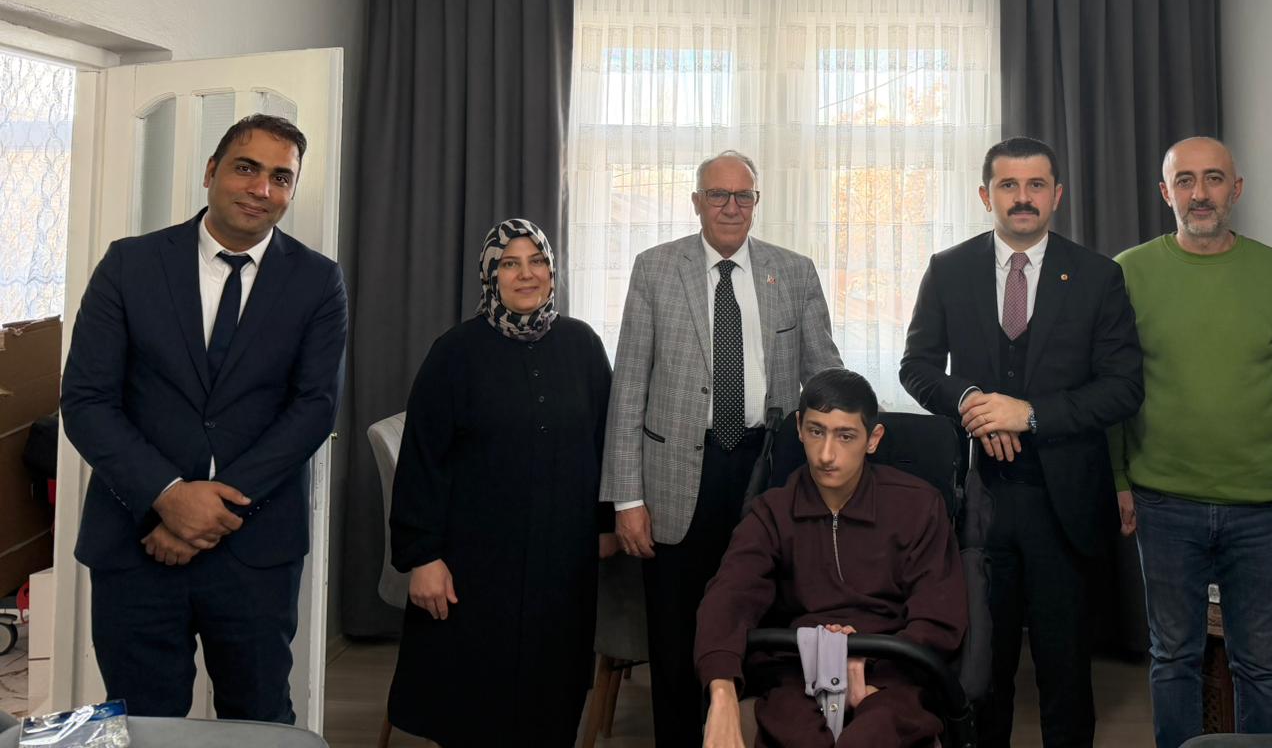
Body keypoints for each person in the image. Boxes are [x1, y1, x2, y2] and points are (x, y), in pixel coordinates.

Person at [60, 114, 347, 721]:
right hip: (134, 544)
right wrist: (167, 496)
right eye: (246, 168)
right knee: (144, 724)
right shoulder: (129, 265)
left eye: (281, 177)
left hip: (255, 551)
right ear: (211, 170)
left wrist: (211, 513)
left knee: (259, 721)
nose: (261, 189)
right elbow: (86, 401)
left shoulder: (318, 281)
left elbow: (313, 409)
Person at [900, 135, 1143, 748]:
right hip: (980, 504)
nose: (1023, 197)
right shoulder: (948, 269)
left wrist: (1029, 414)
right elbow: (917, 367)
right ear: (986, 195)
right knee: (983, 669)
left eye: (1036, 185)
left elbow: (1123, 389)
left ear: (1057, 195)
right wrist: (973, 405)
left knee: (1066, 672)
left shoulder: (1098, 276)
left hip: (1065, 505)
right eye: (1008, 185)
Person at [602, 149, 843, 747]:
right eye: (718, 195)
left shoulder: (794, 271)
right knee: (676, 630)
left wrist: (845, 446)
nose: (732, 207)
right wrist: (626, 499)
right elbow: (628, 389)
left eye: (744, 196)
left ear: (756, 202)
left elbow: (825, 375)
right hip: (677, 476)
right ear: (697, 202)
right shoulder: (656, 269)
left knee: (770, 617)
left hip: (769, 470)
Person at [1109, 136, 1272, 748]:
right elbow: (1111, 387)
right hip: (1164, 501)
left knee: (1262, 663)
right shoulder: (1127, 272)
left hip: (1263, 505)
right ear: (1165, 192)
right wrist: (1119, 480)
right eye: (1186, 180)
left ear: (1237, 189)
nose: (1200, 193)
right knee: (1173, 656)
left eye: (1215, 179)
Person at [386, 219, 614, 748]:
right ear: (491, 275)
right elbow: (422, 459)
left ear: (552, 272)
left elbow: (606, 441)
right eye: (510, 263)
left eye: (537, 261)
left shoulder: (582, 345)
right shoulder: (455, 352)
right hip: (474, 564)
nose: (526, 274)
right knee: (473, 705)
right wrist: (423, 556)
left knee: (553, 697)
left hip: (562, 562)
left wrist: (605, 524)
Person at [696, 368, 968, 748]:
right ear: (799, 428)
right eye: (816, 432)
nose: (826, 455)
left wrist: (871, 667)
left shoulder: (919, 506)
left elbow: (939, 615)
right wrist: (722, 691)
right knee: (794, 734)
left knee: (875, 734)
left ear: (873, 439)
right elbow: (729, 596)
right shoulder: (772, 511)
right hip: (796, 671)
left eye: (845, 436)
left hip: (894, 670)